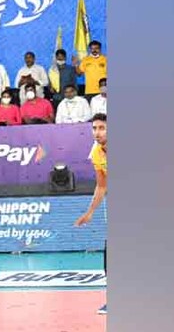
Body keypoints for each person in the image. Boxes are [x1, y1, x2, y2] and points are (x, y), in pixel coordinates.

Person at [75, 113, 107, 316]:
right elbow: (102, 185)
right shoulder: (96, 152)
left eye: (102, 128)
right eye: (94, 128)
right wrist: (90, 212)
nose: (97, 132)